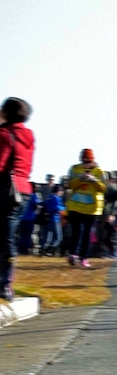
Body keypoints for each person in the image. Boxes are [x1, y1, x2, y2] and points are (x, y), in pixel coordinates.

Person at [0, 98, 33, 301]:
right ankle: (6, 283)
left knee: (4, 239)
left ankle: (4, 284)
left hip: (5, 190)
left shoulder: (4, 134)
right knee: (7, 237)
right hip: (23, 190)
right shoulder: (27, 134)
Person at [61, 149, 110, 268]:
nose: (87, 165)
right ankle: (73, 254)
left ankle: (84, 257)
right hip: (75, 206)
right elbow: (69, 185)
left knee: (88, 233)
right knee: (77, 231)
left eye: (89, 162)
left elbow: (104, 189)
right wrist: (80, 179)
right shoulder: (74, 169)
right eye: (84, 162)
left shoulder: (99, 172)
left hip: (92, 208)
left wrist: (94, 180)